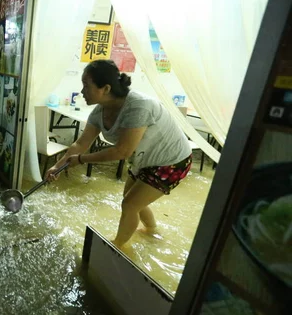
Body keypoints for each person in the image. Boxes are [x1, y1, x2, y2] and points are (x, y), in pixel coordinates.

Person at [46, 59, 192, 248]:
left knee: (130, 204)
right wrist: (57, 166)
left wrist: (81, 160)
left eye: (86, 86)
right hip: (144, 159)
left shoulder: (138, 106)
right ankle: (152, 231)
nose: (82, 91)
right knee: (132, 200)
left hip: (172, 160)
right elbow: (81, 143)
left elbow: (122, 151)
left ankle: (117, 247)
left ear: (105, 88)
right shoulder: (100, 111)